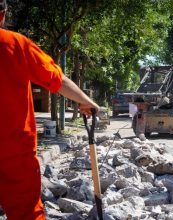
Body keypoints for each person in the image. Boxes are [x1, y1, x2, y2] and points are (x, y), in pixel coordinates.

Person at [0, 0, 99, 219]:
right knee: (26, 214)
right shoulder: (15, 44)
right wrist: (85, 101)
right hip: (13, 152)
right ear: (3, 14)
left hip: (15, 152)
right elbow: (57, 80)